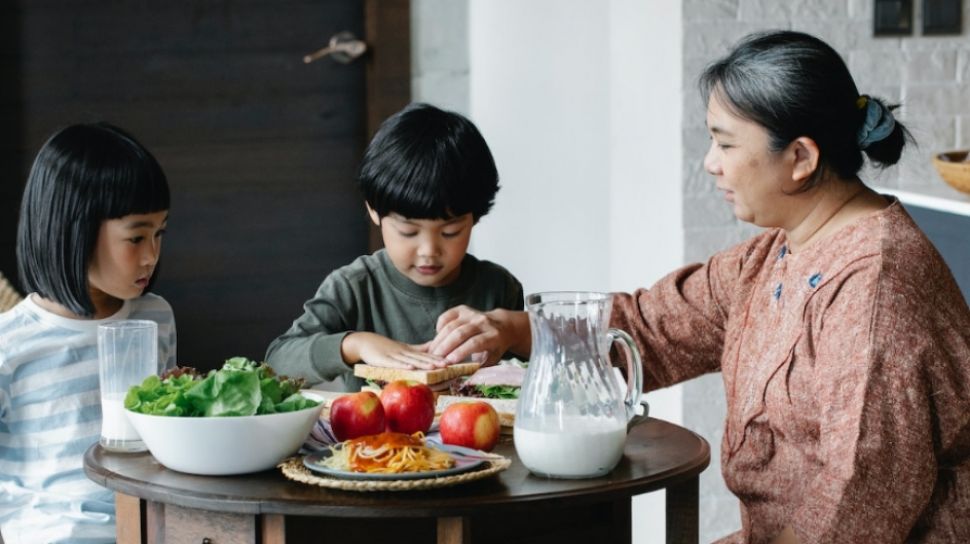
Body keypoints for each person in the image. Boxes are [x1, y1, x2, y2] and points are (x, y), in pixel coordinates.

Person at [427, 31, 970, 543]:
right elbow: (654, 326)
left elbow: (856, 508)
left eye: (725, 144)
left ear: (801, 158)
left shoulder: (873, 288)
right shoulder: (776, 253)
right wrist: (512, 329)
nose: (710, 164)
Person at [0, 123, 177, 544]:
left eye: (159, 233)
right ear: (73, 229)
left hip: (153, 526)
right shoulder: (12, 343)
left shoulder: (157, 317)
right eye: (136, 237)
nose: (151, 254)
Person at [266, 103, 523, 391]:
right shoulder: (355, 287)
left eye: (450, 232)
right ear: (374, 211)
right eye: (408, 231)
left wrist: (514, 329)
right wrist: (355, 344)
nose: (428, 250)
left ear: (475, 217)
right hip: (375, 436)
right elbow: (277, 361)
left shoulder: (497, 287)